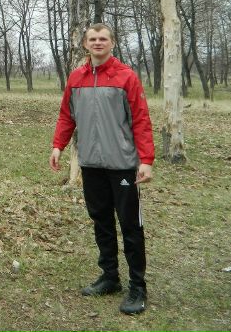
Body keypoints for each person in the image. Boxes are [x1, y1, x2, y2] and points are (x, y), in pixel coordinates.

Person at [49, 22, 154, 315]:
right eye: (93, 39)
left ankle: (138, 287)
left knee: (130, 226)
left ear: (112, 43)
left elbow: (141, 119)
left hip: (122, 165)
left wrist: (146, 160)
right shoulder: (76, 78)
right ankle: (110, 277)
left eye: (103, 38)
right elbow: (66, 115)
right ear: (85, 44)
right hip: (91, 164)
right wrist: (58, 145)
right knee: (101, 222)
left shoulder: (126, 77)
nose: (97, 43)